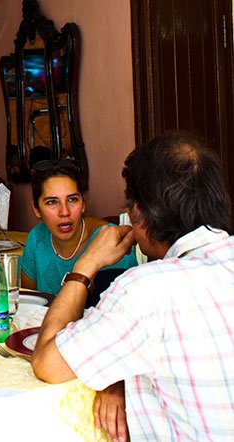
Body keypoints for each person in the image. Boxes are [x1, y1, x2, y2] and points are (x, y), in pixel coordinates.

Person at [32, 132, 234, 442]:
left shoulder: (145, 289)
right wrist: (119, 380)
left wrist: (85, 265)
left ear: (139, 212)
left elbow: (47, 363)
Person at [20, 158, 137, 300]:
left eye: (72, 199)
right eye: (52, 202)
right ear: (36, 209)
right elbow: (28, 303)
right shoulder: (36, 238)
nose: (64, 212)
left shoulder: (112, 244)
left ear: (83, 204)